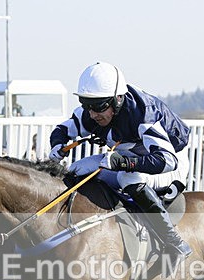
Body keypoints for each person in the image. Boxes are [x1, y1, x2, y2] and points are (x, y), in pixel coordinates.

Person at [49, 61, 192, 268]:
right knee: (75, 169)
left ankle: (174, 241)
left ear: (117, 100)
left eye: (98, 107)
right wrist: (57, 144)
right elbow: (62, 129)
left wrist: (123, 162)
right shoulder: (94, 110)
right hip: (126, 156)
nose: (92, 114)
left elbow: (166, 161)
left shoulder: (143, 114)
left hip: (172, 163)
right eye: (86, 105)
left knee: (128, 177)